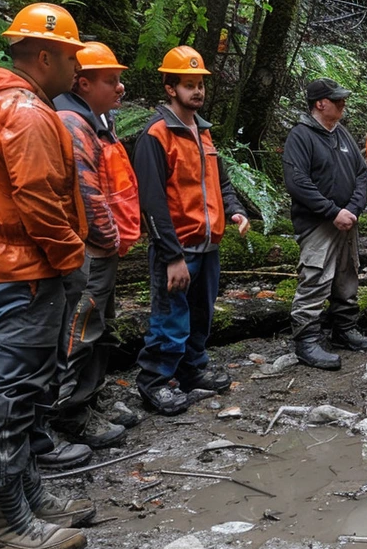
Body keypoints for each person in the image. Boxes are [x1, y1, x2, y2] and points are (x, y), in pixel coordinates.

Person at [0, 3, 92, 549]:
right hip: (18, 270)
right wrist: (68, 258)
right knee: (9, 395)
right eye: (71, 58)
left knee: (22, 390)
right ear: (44, 55)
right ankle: (4, 521)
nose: (76, 70)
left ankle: (25, 493)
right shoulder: (25, 113)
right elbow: (36, 196)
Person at [134, 46, 250, 415]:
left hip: (209, 245)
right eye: (188, 84)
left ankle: (191, 371)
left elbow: (221, 182)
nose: (197, 91)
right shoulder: (156, 135)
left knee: (201, 316)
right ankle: (153, 382)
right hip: (178, 248)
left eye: (200, 84)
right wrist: (171, 257)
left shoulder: (203, 134)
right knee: (169, 318)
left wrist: (234, 211)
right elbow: (152, 203)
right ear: (170, 88)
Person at [52, 41, 142, 451]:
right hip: (92, 251)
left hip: (106, 249)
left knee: (99, 328)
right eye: (111, 80)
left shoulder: (96, 120)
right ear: (83, 83)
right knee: (81, 331)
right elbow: (87, 193)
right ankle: (71, 412)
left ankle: (92, 396)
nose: (120, 88)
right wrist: (107, 239)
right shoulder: (73, 122)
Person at [282, 78, 367, 370]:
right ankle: (306, 340)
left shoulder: (342, 134)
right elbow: (297, 183)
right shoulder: (301, 136)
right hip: (318, 224)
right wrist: (332, 211)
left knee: (348, 276)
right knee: (315, 278)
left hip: (348, 220)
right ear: (320, 103)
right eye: (337, 99)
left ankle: (344, 329)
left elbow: (362, 173)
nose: (343, 103)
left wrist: (353, 208)